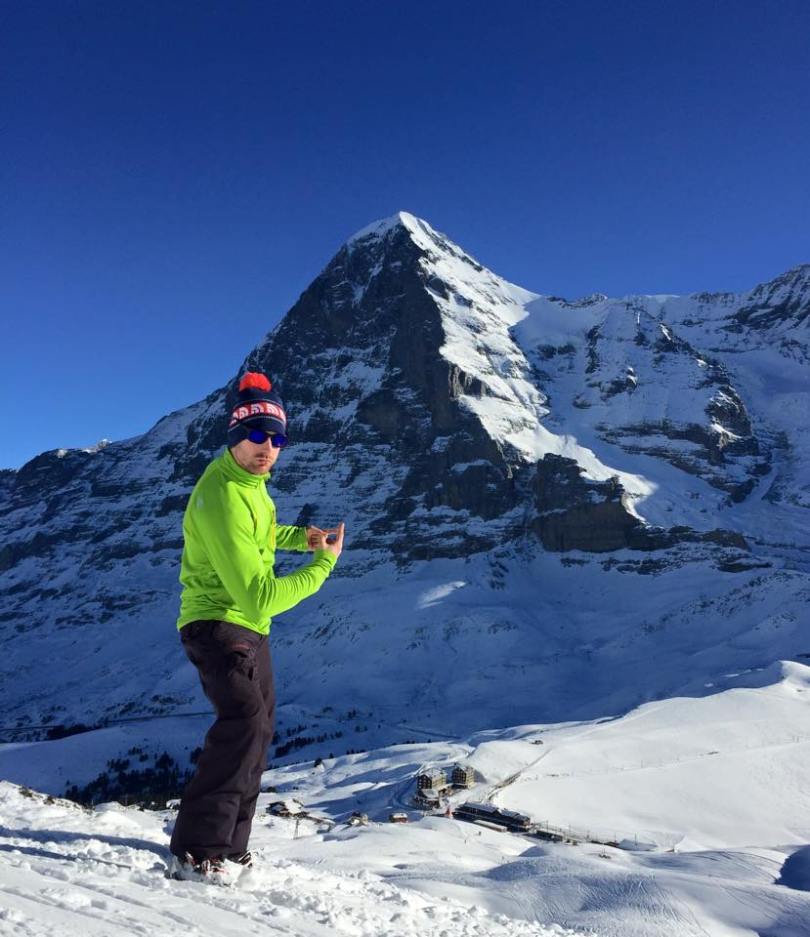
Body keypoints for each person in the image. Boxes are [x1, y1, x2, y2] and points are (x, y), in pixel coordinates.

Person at [168, 371, 344, 882]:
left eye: (278, 437)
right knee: (242, 721)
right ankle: (196, 850)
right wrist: (322, 565)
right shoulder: (223, 495)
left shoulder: (253, 486)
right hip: (217, 625)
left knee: (259, 729)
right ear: (235, 436)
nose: (268, 446)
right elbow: (259, 594)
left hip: (248, 628)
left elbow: (262, 534)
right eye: (257, 435)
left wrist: (301, 538)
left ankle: (230, 846)